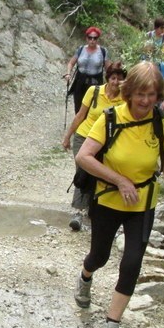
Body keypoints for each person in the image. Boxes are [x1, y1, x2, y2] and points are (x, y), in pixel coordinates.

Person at [73, 61, 164, 328]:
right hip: (108, 200)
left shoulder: (163, 124)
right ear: (128, 92)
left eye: (151, 94)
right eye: (140, 94)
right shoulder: (109, 118)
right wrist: (119, 179)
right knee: (99, 256)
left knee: (133, 262)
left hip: (143, 203)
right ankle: (85, 277)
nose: (146, 100)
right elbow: (85, 156)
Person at [62, 61, 127, 231]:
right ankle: (78, 212)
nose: (115, 82)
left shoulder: (125, 99)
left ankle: (94, 210)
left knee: (99, 173)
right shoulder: (94, 91)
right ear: (108, 78)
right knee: (83, 172)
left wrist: (127, 88)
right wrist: (68, 136)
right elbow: (80, 115)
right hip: (84, 137)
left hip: (106, 142)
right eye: (113, 78)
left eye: (119, 79)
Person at [64, 27, 109, 112]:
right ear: (86, 38)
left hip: (95, 83)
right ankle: (79, 124)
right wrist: (68, 74)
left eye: (95, 38)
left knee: (91, 108)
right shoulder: (81, 49)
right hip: (79, 81)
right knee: (78, 105)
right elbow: (71, 63)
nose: (92, 40)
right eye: (90, 37)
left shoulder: (103, 51)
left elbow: (109, 70)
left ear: (97, 39)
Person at [140, 41, 164, 113]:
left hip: (157, 99)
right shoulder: (140, 65)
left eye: (151, 51)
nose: (148, 54)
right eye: (146, 52)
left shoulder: (161, 66)